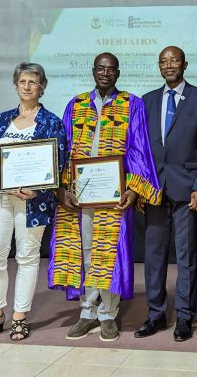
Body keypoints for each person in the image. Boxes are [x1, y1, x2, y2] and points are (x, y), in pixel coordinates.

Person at [48, 52, 162, 342]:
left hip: (113, 193)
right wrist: (62, 189)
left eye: (111, 69)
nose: (105, 73)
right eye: (100, 68)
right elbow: (64, 149)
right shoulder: (76, 105)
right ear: (93, 71)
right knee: (84, 249)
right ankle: (87, 311)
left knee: (109, 253)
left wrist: (134, 187)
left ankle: (108, 314)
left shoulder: (131, 104)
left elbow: (139, 148)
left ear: (118, 73)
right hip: (81, 192)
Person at [0, 62, 66, 341]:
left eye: (33, 82)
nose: (27, 86)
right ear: (16, 85)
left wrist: (39, 190)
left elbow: (57, 164)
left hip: (31, 202)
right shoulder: (1, 120)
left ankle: (19, 317)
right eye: (23, 81)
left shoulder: (52, 122)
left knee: (27, 258)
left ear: (42, 87)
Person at [134, 46, 197, 341]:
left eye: (175, 60)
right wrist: (140, 188)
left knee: (186, 257)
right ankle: (155, 314)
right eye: (164, 61)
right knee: (153, 255)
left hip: (187, 191)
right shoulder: (147, 101)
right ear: (159, 66)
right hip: (154, 191)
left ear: (185, 64)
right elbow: (139, 151)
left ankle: (184, 316)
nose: (169, 65)